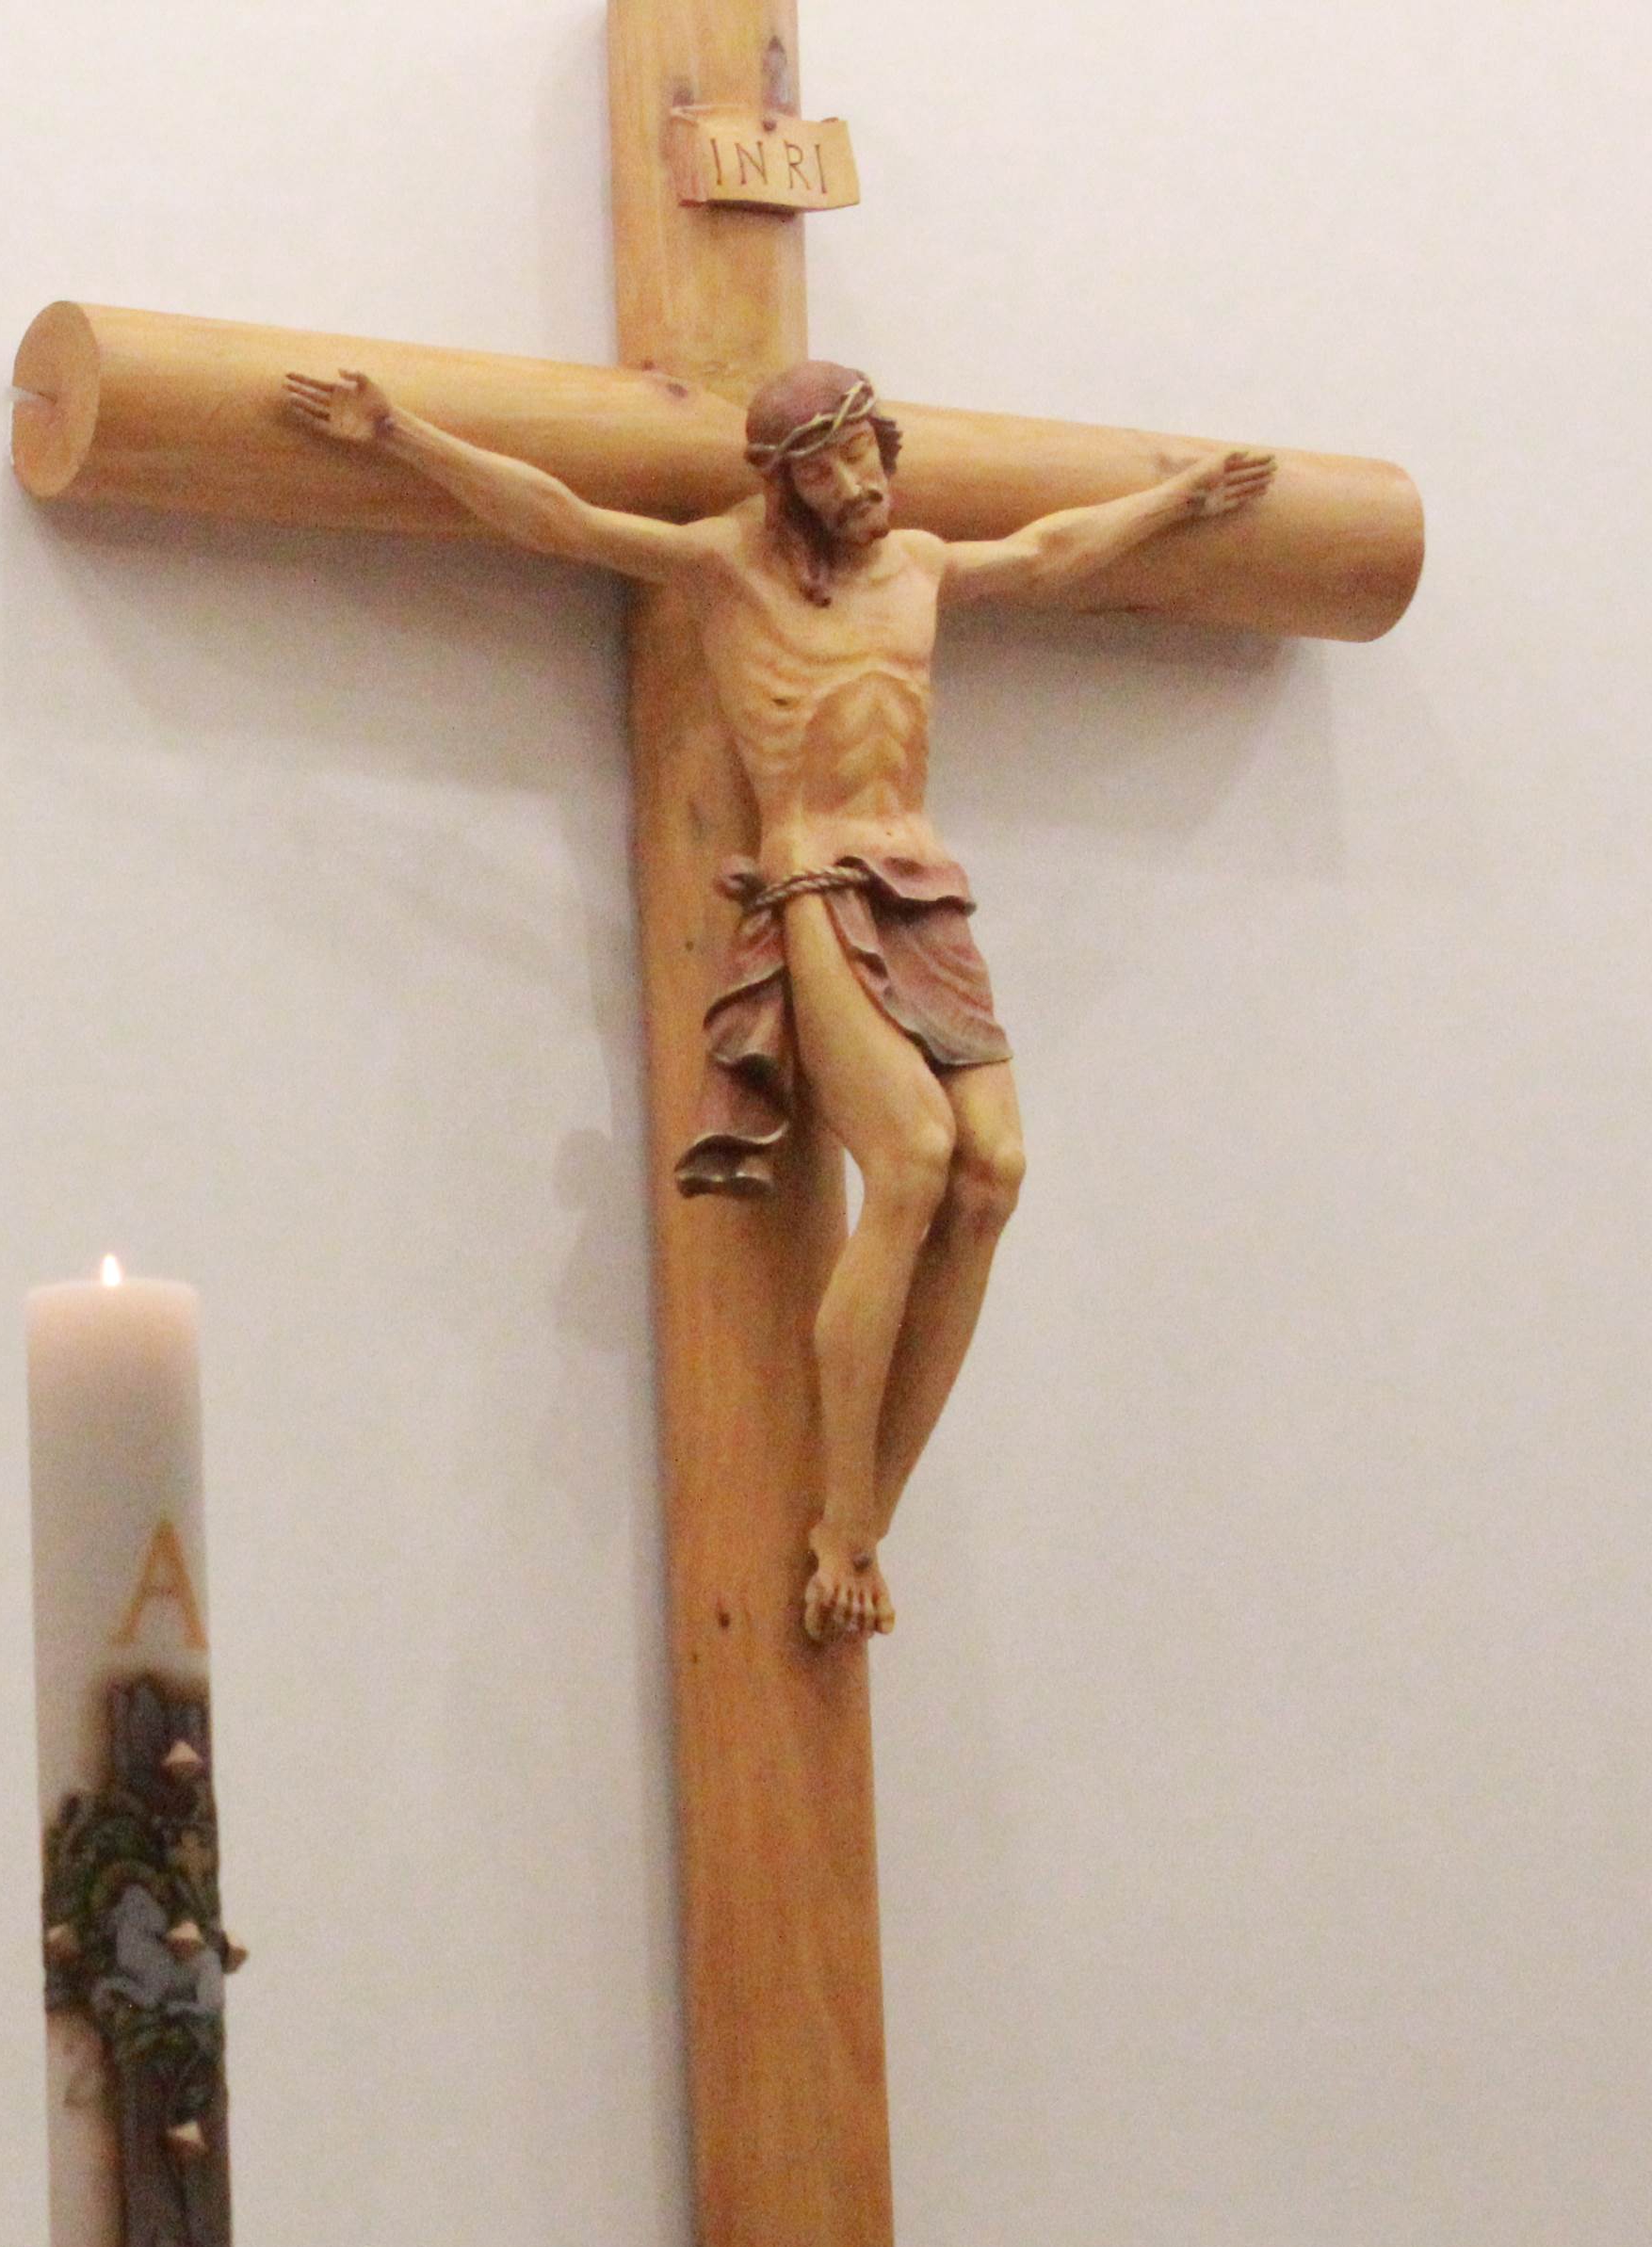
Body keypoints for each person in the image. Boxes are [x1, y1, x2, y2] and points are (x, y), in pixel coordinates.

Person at [280, 356, 1272, 1643]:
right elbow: (563, 518)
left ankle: (869, 1518)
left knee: (994, 1175)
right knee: (912, 1159)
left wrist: (1181, 498)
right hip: (818, 878)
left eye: (865, 455)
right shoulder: (727, 569)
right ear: (784, 486)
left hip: (928, 888)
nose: (856, 484)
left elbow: (1051, 551)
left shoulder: (919, 568)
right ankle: (842, 1519)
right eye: (823, 468)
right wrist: (398, 433)